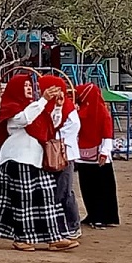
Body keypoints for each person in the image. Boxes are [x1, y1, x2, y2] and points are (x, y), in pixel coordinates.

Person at [0, 74, 78, 252]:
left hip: (37, 159)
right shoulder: (13, 108)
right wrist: (43, 100)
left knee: (47, 197)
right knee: (24, 201)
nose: (28, 88)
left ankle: (54, 237)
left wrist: (57, 107)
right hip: (18, 159)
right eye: (25, 85)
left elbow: (52, 125)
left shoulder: (35, 107)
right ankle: (23, 238)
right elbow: (25, 119)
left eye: (29, 85)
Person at [74, 83, 120, 229]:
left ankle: (103, 216)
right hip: (84, 157)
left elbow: (107, 133)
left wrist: (105, 152)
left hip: (99, 157)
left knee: (102, 188)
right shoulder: (80, 111)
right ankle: (93, 214)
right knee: (87, 189)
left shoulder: (102, 111)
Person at [40, 74, 80, 241]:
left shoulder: (66, 108)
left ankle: (72, 225)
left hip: (64, 155)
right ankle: (59, 226)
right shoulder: (52, 107)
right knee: (56, 192)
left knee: (63, 192)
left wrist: (57, 108)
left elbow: (55, 128)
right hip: (54, 154)